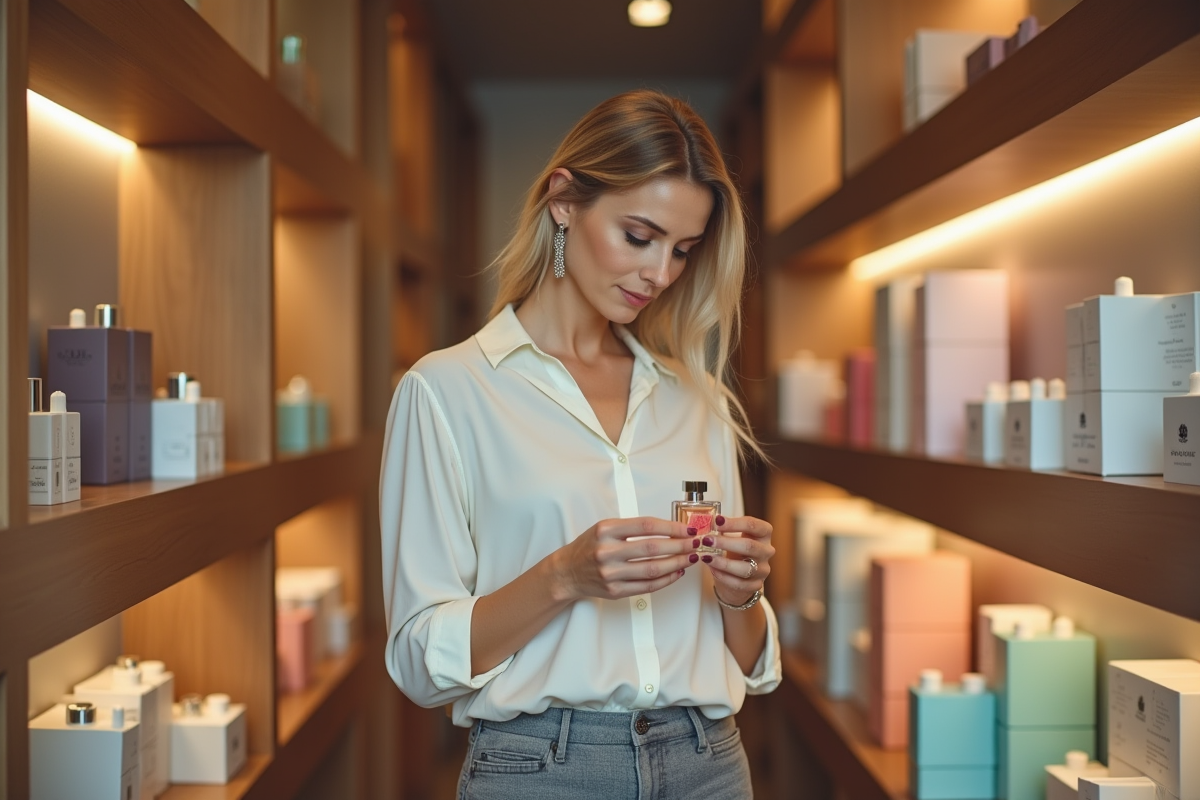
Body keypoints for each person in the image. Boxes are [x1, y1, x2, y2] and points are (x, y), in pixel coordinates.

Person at [380, 89, 781, 800]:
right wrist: (563, 576)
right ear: (564, 200)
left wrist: (740, 596)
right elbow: (418, 660)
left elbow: (748, 660)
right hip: (539, 771)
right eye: (639, 236)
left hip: (709, 764)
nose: (660, 274)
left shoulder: (697, 400)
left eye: (683, 250)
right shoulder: (447, 391)